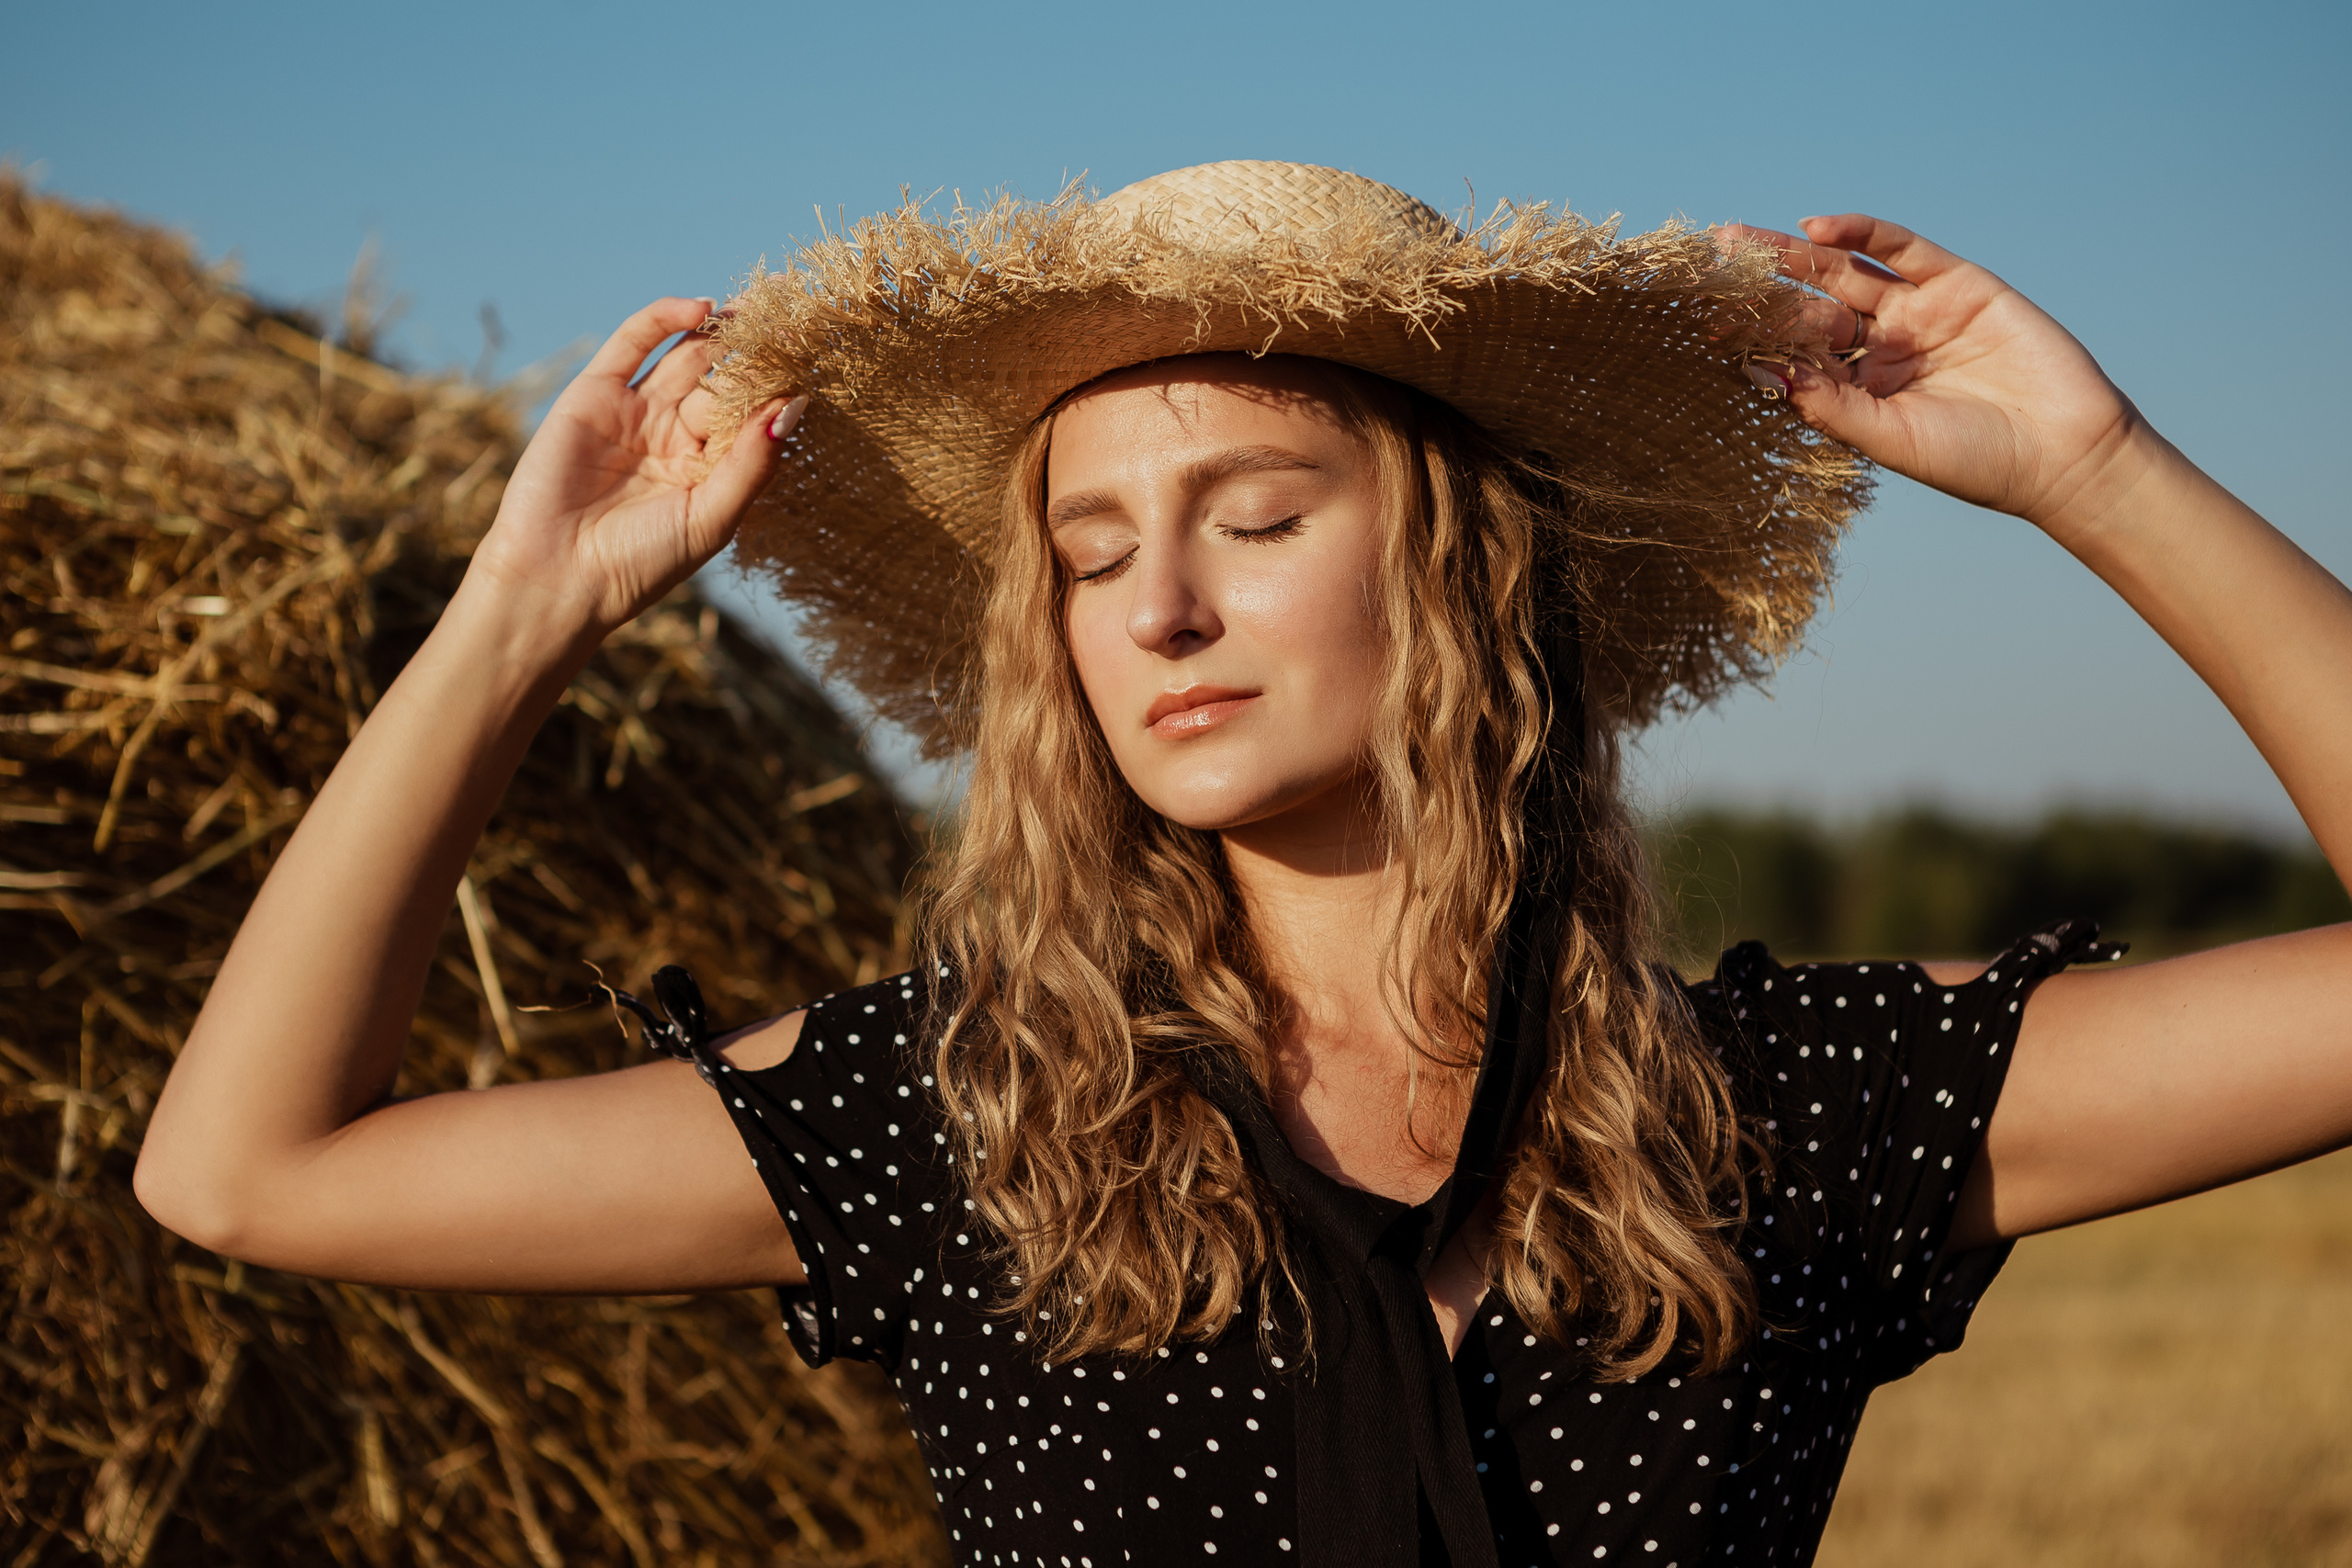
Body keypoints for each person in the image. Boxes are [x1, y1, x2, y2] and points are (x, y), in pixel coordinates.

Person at [133, 162, 2352, 1568]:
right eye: (1091, 559)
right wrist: (518, 620)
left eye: (1257, 521)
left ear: (1460, 574)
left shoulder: (1772, 1113)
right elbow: (248, 1167)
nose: (1159, 611)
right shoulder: (969, 1112)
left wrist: (2098, 471)